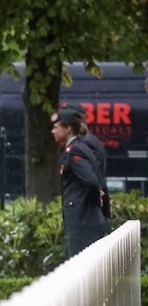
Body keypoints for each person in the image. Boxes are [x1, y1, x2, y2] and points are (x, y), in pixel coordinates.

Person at [51, 106, 110, 256]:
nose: (53, 131)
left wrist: (94, 200)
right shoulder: (80, 147)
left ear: (68, 129)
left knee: (80, 269)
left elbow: (91, 181)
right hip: (87, 220)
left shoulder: (75, 151)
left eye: (56, 127)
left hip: (83, 222)